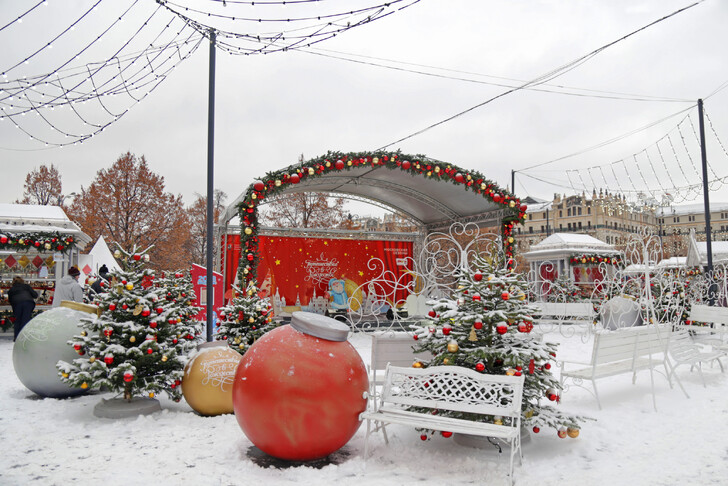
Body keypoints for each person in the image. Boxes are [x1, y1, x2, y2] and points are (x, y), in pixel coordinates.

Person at [8, 276, 39, 341]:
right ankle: (24, 337)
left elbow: (10, 300)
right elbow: (35, 295)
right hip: (28, 303)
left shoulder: (11, 290)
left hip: (17, 304)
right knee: (25, 320)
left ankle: (16, 338)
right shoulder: (26, 286)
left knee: (18, 320)